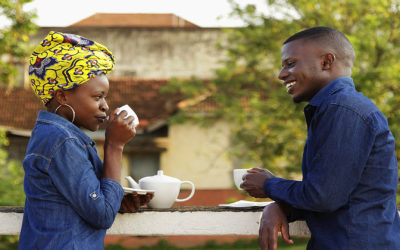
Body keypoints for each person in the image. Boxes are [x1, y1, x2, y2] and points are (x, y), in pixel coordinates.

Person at [241, 26, 400, 250]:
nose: (281, 74)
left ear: (326, 62)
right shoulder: (333, 109)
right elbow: (341, 195)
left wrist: (269, 185)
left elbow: (323, 196)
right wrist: (283, 207)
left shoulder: (343, 110)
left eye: (291, 63)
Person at [19, 31, 152, 249]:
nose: (105, 106)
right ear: (62, 96)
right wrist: (114, 146)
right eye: (98, 97)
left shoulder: (56, 135)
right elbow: (102, 216)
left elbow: (87, 198)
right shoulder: (62, 141)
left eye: (105, 98)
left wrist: (116, 199)